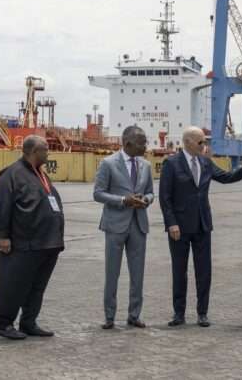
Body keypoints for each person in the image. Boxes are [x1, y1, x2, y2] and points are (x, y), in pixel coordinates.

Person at [159, 126, 242, 327]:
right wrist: (171, 223)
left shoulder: (205, 162)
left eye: (205, 141)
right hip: (179, 227)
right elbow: (165, 197)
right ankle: (179, 313)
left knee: (204, 271)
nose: (205, 145)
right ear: (187, 142)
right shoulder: (171, 164)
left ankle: (202, 313)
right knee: (179, 271)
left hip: (202, 225)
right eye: (201, 142)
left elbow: (226, 177)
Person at [0, 135, 64, 340]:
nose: (48, 153)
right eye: (46, 149)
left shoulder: (40, 175)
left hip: (47, 243)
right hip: (23, 243)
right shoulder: (11, 175)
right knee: (13, 285)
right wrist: (2, 236)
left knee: (36, 287)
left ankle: (28, 322)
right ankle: (4, 324)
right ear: (33, 152)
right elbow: (0, 207)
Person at [93, 124, 155, 330]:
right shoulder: (108, 164)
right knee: (112, 273)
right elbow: (98, 193)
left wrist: (145, 199)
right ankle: (109, 316)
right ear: (128, 143)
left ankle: (134, 315)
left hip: (138, 225)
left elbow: (151, 192)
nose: (145, 145)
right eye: (142, 142)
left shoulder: (146, 165)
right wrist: (123, 200)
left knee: (138, 274)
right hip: (115, 226)